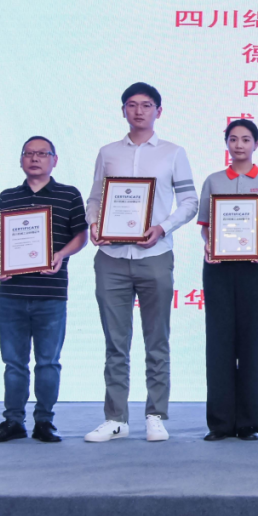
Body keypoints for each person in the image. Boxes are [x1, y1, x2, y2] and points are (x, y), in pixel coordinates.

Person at [84, 82, 198, 443]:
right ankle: (116, 418)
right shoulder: (107, 153)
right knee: (115, 343)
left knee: (157, 340)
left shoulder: (173, 153)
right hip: (112, 258)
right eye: (131, 105)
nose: (138, 111)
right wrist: (94, 224)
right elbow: (95, 198)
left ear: (158, 111)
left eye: (146, 105)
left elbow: (190, 202)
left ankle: (155, 415)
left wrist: (162, 228)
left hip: (155, 256)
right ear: (123, 110)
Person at [0, 137, 88, 443]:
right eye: (29, 153)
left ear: (54, 160)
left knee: (48, 363)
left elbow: (81, 236)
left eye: (42, 153)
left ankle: (44, 421)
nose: (35, 158)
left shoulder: (69, 194)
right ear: (21, 160)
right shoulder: (8, 196)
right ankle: (13, 421)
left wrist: (61, 254)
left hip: (50, 293)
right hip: (12, 294)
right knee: (14, 364)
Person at [197, 119, 258, 441]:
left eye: (246, 139)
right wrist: (209, 243)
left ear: (256, 144)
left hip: (255, 267)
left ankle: (248, 423)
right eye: (233, 139)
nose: (239, 145)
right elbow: (206, 225)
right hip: (219, 267)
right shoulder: (214, 180)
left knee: (251, 345)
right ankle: (220, 424)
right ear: (226, 143)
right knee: (219, 344)